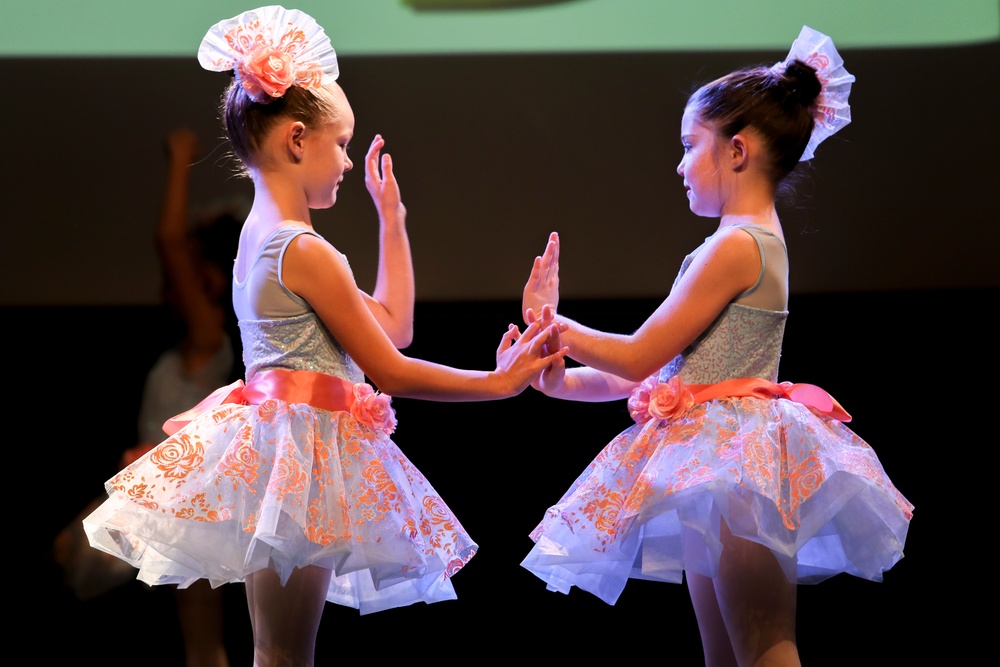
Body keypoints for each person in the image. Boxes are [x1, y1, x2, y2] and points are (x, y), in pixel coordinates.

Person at [82, 6, 566, 666]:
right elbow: (390, 367)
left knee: (279, 648)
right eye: (340, 144)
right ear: (298, 139)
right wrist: (500, 382)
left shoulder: (264, 238)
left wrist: (390, 220)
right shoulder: (302, 250)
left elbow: (391, 325)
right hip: (297, 456)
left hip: (284, 450)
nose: (345, 160)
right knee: (282, 652)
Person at [518, 26, 913, 667]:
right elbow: (656, 372)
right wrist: (559, 378)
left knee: (764, 648)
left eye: (688, 146)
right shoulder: (738, 242)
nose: (678, 165)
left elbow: (641, 354)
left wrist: (554, 325)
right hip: (716, 458)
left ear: (736, 151)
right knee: (729, 654)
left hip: (736, 461)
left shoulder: (738, 246)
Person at [54, 127, 242, 666]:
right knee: (195, 633)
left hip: (178, 492)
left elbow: (168, 243)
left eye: (189, 271)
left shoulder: (209, 335)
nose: (173, 278)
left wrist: (180, 160)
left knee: (201, 636)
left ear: (208, 279)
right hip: (156, 488)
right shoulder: (191, 343)